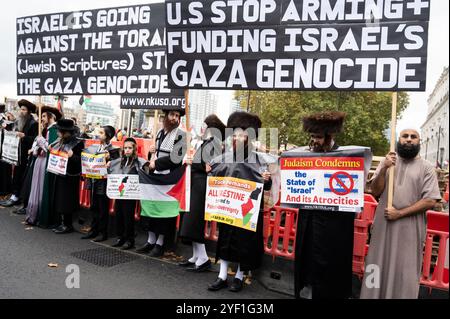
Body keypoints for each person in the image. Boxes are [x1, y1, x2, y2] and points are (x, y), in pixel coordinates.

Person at [360, 129, 441, 299]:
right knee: (376, 264)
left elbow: (430, 200)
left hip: (409, 229)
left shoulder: (427, 168)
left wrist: (400, 213)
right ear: (399, 140)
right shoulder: (388, 161)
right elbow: (375, 191)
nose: (409, 140)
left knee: (405, 270)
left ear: (419, 141)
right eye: (405, 136)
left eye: (413, 137)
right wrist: (384, 169)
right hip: (383, 226)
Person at [293, 111, 357, 299]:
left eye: (319, 137)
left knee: (331, 260)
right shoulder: (304, 155)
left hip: (335, 222)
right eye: (312, 136)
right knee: (308, 257)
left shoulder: (347, 156)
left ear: (330, 137)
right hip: (310, 218)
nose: (314, 141)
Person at [207, 112, 272, 293]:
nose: (237, 137)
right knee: (225, 242)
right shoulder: (224, 157)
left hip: (247, 211)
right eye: (234, 134)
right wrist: (209, 171)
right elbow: (214, 176)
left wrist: (266, 180)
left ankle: (238, 277)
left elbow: (267, 186)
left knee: (244, 244)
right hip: (228, 209)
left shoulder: (260, 160)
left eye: (242, 134)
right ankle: (221, 276)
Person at [178, 115, 225, 272]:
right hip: (196, 184)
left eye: (205, 125)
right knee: (190, 222)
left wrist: (193, 162)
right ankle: (197, 256)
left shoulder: (216, 143)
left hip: (202, 186)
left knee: (194, 222)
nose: (202, 128)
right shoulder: (206, 142)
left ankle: (203, 258)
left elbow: (209, 165)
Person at [137, 109, 186, 257]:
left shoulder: (182, 135)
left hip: (169, 178)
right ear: (166, 116)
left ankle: (160, 243)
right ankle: (151, 241)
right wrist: (152, 153)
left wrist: (156, 164)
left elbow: (176, 159)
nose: (175, 118)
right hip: (156, 176)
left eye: (177, 116)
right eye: (172, 115)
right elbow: (155, 156)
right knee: (152, 208)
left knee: (164, 212)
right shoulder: (159, 133)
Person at [81, 126, 120, 242]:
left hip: (105, 183)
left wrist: (110, 160)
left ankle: (103, 233)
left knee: (103, 209)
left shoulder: (113, 150)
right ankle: (94, 230)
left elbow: (117, 165)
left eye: (101, 133)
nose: (99, 135)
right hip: (94, 181)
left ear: (108, 135)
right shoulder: (96, 147)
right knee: (94, 207)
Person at [24, 107, 61, 225]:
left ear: (51, 117)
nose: (42, 119)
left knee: (42, 188)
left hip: (46, 162)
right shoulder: (46, 129)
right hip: (39, 160)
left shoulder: (54, 130)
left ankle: (40, 216)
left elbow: (53, 149)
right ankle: (33, 214)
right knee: (36, 187)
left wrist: (42, 142)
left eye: (44, 116)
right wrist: (36, 146)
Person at [49, 119, 84, 234]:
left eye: (59, 131)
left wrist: (73, 156)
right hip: (60, 173)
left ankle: (68, 224)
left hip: (71, 176)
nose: (58, 133)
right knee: (60, 199)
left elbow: (82, 162)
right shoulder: (60, 141)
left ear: (66, 132)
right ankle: (62, 222)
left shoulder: (78, 143)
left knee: (67, 201)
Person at [0, 100, 38, 207]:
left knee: (20, 175)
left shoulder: (33, 123)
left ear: (29, 111)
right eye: (21, 109)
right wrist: (6, 127)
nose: (21, 112)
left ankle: (17, 196)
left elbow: (35, 140)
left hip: (26, 155)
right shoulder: (19, 120)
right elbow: (13, 129)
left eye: (24, 110)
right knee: (16, 174)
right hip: (16, 153)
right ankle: (15, 195)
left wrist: (24, 136)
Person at [109, 138, 143, 250]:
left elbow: (144, 171)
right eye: (125, 148)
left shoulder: (137, 162)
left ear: (134, 149)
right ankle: (120, 237)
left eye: (130, 148)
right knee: (119, 215)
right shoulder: (121, 161)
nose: (127, 150)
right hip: (120, 193)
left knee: (128, 217)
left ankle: (130, 240)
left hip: (131, 195)